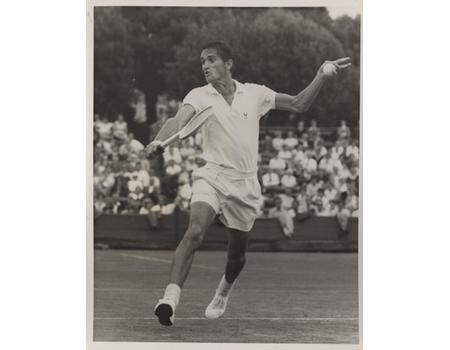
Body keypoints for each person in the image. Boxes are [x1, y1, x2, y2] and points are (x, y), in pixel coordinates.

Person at [144, 41, 351, 326]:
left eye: (211, 60)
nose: (204, 65)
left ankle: (223, 292)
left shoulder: (255, 93)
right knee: (194, 232)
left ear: (228, 64)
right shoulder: (198, 95)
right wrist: (158, 141)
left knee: (236, 256)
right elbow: (177, 120)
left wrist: (321, 76)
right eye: (202, 61)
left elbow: (299, 104)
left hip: (246, 183)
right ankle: (169, 299)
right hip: (213, 175)